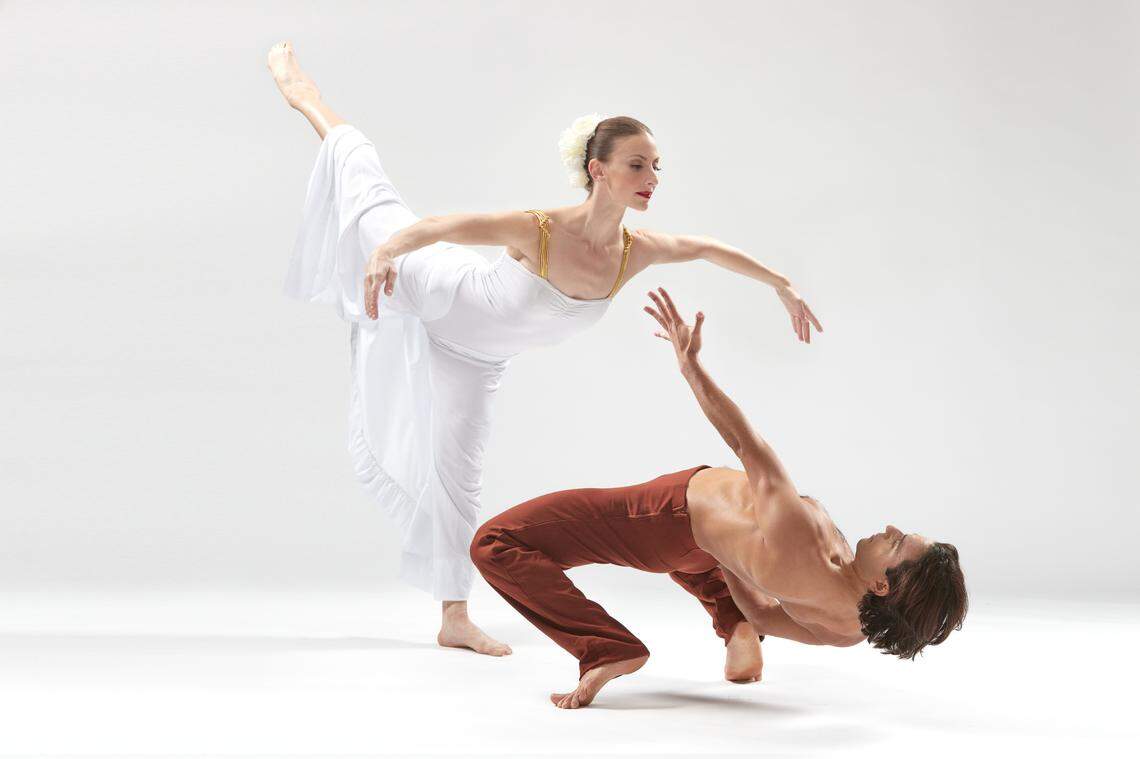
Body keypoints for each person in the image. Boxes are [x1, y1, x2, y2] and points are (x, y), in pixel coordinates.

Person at [268, 41, 823, 656]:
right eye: (638, 165)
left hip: (476, 359)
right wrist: (385, 253)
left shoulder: (634, 252)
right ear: (599, 170)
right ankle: (306, 97)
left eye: (656, 166)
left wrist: (782, 284)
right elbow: (443, 226)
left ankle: (453, 618)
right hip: (437, 286)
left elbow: (706, 247)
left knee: (460, 476)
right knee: (371, 195)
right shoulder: (541, 229)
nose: (652, 179)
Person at [471, 287, 967, 708]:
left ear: (884, 584)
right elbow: (766, 614)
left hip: (663, 516)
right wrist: (732, 561)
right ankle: (734, 632)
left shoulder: (803, 540)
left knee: (496, 542)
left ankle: (607, 648)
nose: (892, 529)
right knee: (715, 560)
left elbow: (748, 446)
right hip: (696, 546)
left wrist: (690, 366)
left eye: (899, 545)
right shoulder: (849, 628)